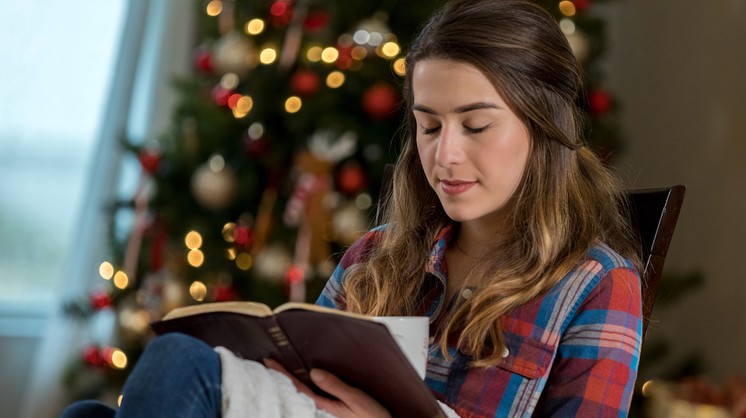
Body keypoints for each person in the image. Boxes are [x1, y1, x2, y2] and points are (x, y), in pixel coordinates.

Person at [61, 0, 643, 417]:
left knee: (174, 365)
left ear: (543, 129)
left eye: (476, 125)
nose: (445, 155)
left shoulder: (595, 285)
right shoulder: (378, 254)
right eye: (427, 125)